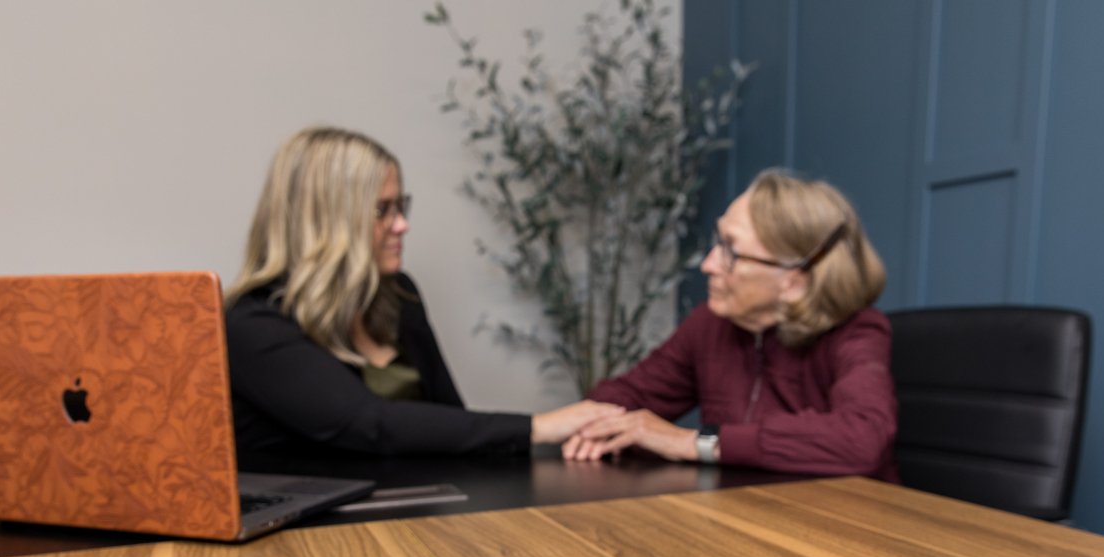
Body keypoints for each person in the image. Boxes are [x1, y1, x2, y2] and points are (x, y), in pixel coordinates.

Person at [224, 127, 619, 458]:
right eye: (382, 210)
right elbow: (369, 425)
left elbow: (448, 416)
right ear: (325, 223)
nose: (401, 226)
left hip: (415, 516)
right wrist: (537, 427)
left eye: (401, 207)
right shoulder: (253, 324)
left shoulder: (398, 294)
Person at [563, 168, 899, 482]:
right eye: (718, 242)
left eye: (732, 253)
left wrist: (693, 442)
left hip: (842, 528)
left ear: (794, 281)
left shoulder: (857, 332)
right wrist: (605, 428)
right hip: (743, 516)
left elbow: (861, 440)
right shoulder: (711, 324)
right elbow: (627, 396)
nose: (708, 264)